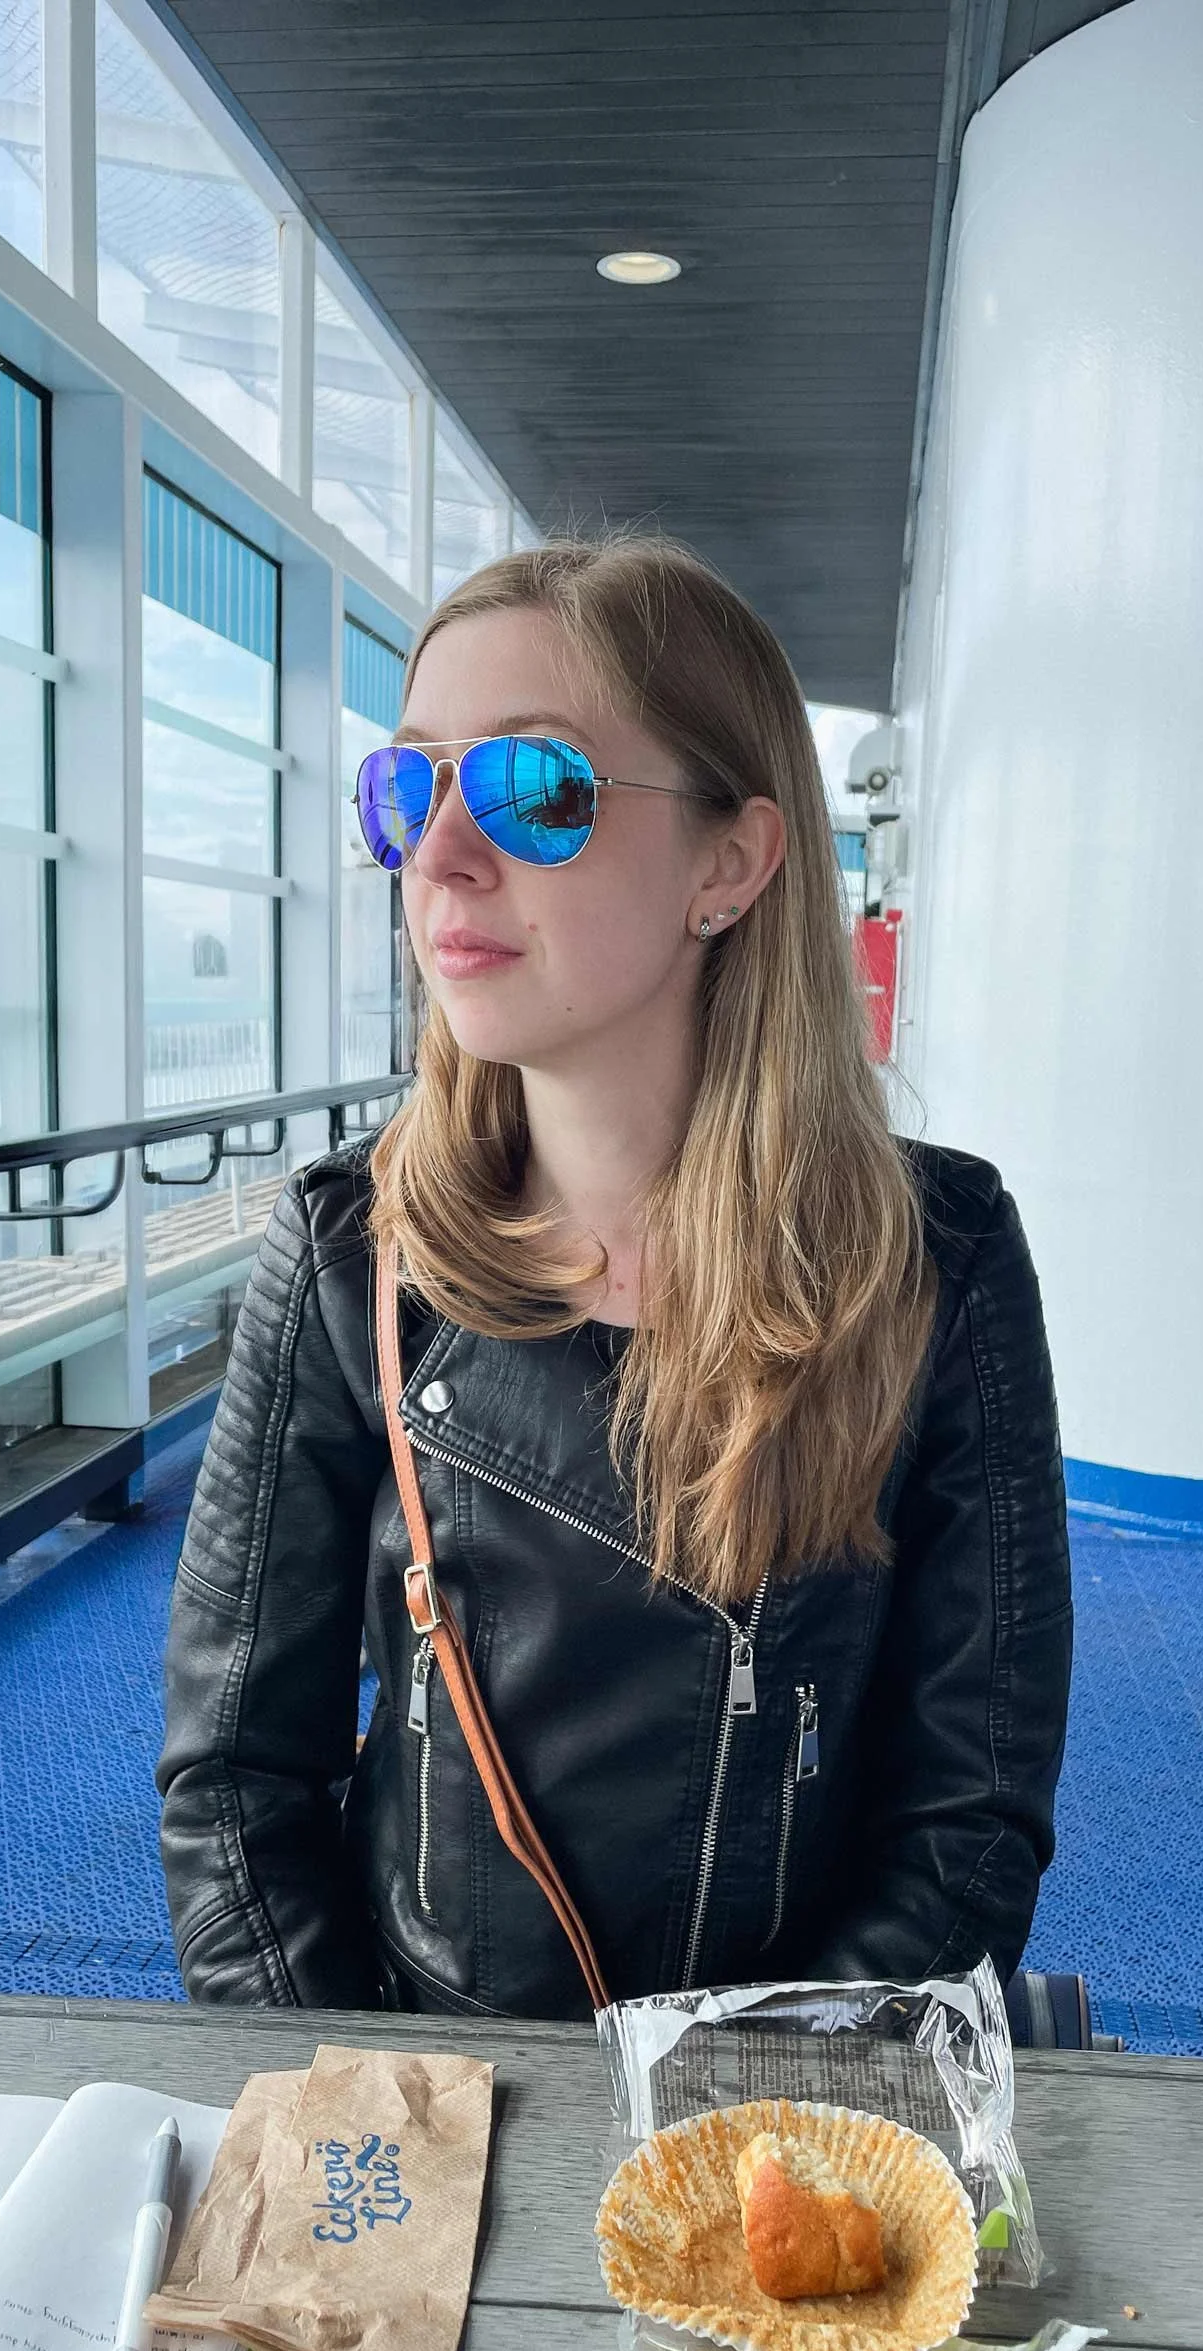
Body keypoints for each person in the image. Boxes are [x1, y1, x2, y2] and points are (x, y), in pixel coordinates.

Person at [157, 532, 1074, 2019]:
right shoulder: (349, 1258)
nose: (443, 852)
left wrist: (758, 2120)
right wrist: (359, 2111)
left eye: (534, 790)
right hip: (435, 2096)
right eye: (408, 788)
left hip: (787, 2115)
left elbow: (963, 1820)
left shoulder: (932, 1262)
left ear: (730, 861)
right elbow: (234, 1785)